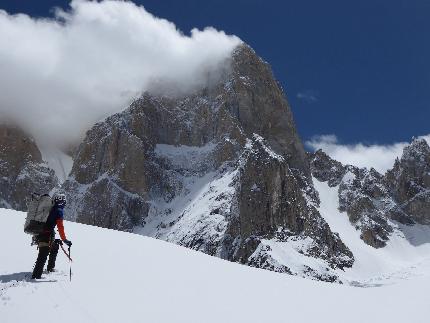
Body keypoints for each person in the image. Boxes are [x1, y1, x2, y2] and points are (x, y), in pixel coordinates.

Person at [31, 193, 72, 279]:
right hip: (46, 235)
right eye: (64, 201)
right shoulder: (59, 210)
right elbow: (60, 227)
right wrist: (64, 240)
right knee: (43, 255)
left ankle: (50, 268)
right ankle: (36, 276)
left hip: (41, 234)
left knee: (54, 247)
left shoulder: (51, 209)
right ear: (61, 201)